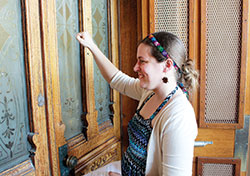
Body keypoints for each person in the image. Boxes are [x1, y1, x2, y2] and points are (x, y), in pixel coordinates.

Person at [76, 31, 199, 176]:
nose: (135, 67)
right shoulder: (150, 92)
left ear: (167, 65)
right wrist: (91, 45)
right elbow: (117, 79)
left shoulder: (179, 117)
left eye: (142, 61)